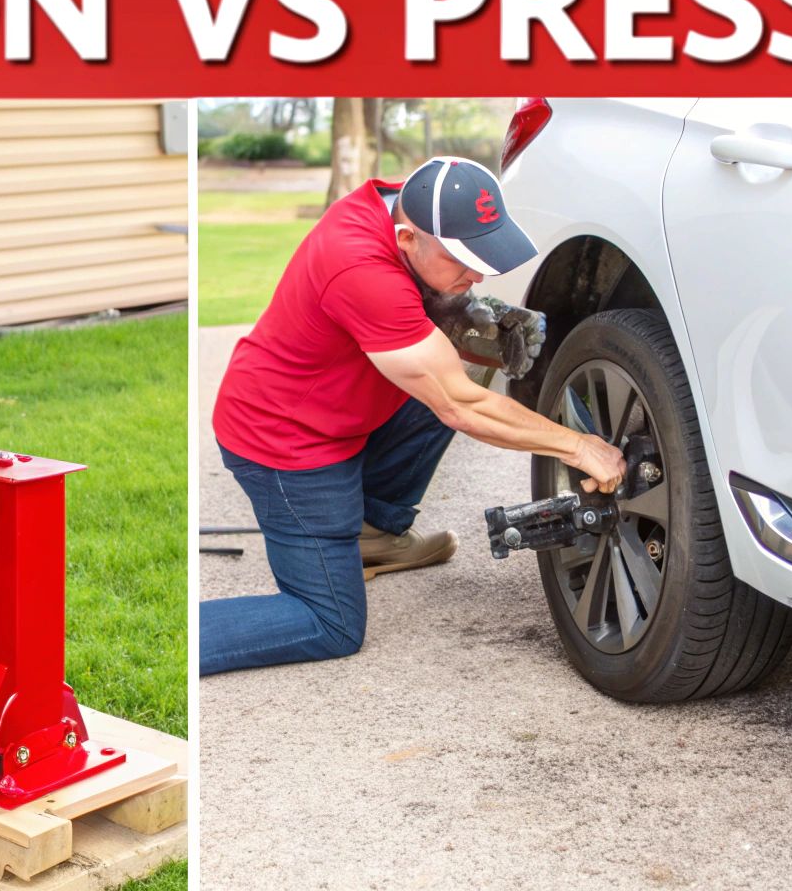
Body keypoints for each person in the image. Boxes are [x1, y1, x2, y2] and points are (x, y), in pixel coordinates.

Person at [201, 156, 627, 676]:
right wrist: (578, 446)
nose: (476, 274)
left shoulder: (417, 201)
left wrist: (451, 311)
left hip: (340, 406)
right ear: (406, 241)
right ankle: (180, 639)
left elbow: (450, 371)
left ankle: (373, 535)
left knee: (458, 373)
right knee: (329, 623)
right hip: (285, 445)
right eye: (463, 261)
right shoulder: (361, 268)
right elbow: (462, 407)